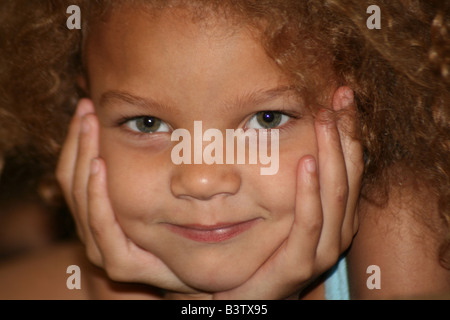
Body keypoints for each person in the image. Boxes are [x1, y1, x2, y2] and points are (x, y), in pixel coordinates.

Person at [0, 0, 448, 300]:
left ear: (364, 110)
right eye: (148, 123)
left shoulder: (402, 224)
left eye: (267, 119)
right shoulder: (114, 273)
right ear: (86, 115)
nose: (201, 178)